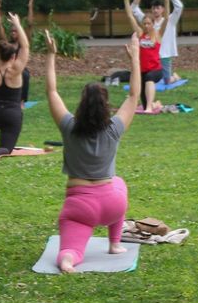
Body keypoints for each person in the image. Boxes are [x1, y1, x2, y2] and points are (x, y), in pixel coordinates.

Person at [44, 29, 140, 273]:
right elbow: (133, 95)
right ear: (106, 107)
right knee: (118, 182)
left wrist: (51, 55)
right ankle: (115, 244)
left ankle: (67, 261)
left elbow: (52, 92)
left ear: (81, 105)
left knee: (70, 251)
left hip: (80, 206)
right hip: (112, 205)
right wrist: (135, 59)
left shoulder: (69, 127)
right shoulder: (114, 129)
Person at [0, 11, 30, 156]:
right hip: (11, 114)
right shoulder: (15, 71)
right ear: (14, 56)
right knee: (6, 149)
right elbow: (25, 47)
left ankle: (0, 142)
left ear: (0, 55)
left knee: (6, 127)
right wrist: (17, 25)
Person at [124, 0, 169, 111]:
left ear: (153, 24)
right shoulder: (140, 34)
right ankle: (154, 104)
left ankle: (149, 108)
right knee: (143, 100)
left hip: (156, 70)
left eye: (149, 23)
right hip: (142, 71)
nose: (147, 25)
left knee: (149, 79)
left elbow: (167, 18)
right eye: (144, 23)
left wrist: (166, 0)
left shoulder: (158, 35)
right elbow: (129, 16)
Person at [129, 0, 183, 83]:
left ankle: (175, 77)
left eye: (158, 8)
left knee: (167, 81)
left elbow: (179, 7)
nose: (155, 10)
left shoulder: (170, 20)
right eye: (153, 8)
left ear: (163, 9)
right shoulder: (147, 21)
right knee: (147, 79)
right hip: (151, 56)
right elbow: (133, 9)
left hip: (164, 55)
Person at [0, 0, 34, 104]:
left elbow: (30, 24)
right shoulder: (7, 44)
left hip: (20, 69)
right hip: (8, 69)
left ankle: (21, 100)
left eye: (15, 31)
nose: (13, 33)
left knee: (25, 74)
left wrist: (30, 6)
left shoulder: (23, 42)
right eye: (12, 31)